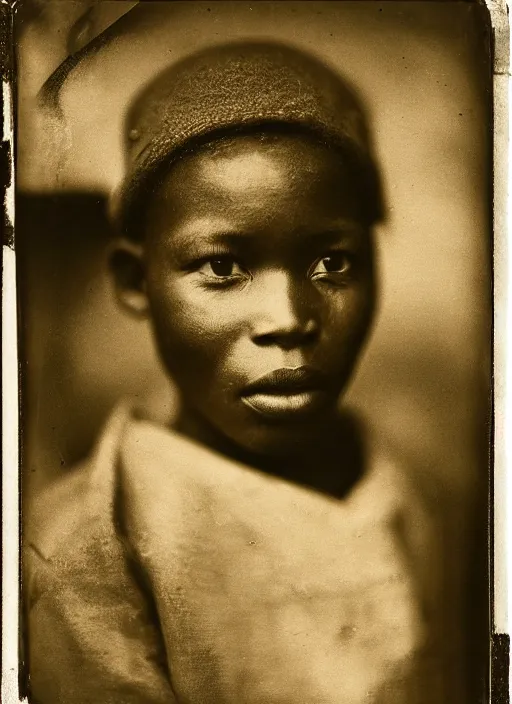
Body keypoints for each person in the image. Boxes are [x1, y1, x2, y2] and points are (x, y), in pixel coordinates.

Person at [24, 42, 458, 703]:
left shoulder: (418, 491)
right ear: (136, 282)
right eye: (223, 268)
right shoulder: (83, 555)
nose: (288, 318)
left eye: (333, 264)